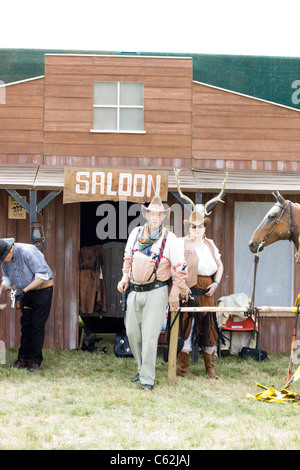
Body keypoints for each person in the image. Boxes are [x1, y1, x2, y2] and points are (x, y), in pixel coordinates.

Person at [117, 196, 188, 390]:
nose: (155, 217)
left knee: (149, 336)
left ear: (162, 216)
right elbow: (127, 259)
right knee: (132, 332)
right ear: (147, 214)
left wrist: (174, 293)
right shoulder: (136, 233)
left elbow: (180, 267)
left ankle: (147, 379)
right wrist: (124, 278)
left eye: (158, 214)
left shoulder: (170, 238)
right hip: (134, 290)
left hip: (157, 290)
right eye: (152, 213)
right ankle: (141, 369)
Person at [176, 210, 224, 379]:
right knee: (187, 327)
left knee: (209, 326)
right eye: (194, 226)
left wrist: (216, 283)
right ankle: (182, 368)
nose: (197, 229)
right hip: (189, 291)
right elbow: (174, 265)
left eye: (200, 226)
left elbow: (220, 266)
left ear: (205, 228)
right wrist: (182, 286)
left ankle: (210, 368)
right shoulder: (182, 243)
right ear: (189, 228)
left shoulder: (210, 244)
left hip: (208, 290)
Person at [0, 238, 53, 372]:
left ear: (10, 250)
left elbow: (42, 275)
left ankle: (35, 361)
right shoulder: (3, 257)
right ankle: (23, 358)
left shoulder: (27, 252)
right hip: (25, 291)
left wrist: (23, 291)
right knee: (26, 324)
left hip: (42, 289)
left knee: (36, 325)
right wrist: (2, 287)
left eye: (3, 258)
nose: (3, 261)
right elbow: (7, 277)